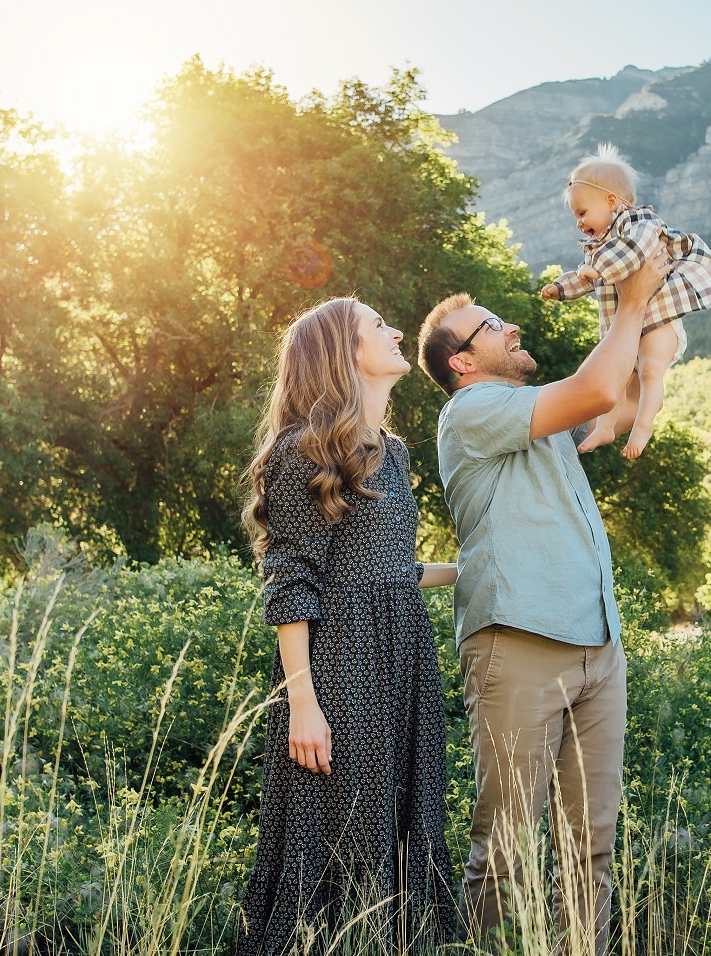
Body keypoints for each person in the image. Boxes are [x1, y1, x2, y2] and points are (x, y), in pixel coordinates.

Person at [416, 250, 666, 952]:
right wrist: (634, 298)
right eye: (493, 326)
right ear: (462, 362)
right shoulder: (472, 410)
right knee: (508, 844)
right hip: (519, 642)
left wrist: (631, 299)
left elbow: (614, 389)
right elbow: (594, 390)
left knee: (591, 848)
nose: (513, 328)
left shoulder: (528, 411)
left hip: (598, 645)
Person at [236, 297, 460, 956]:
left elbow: (390, 566)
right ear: (341, 352)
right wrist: (303, 705)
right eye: (377, 326)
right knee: (339, 830)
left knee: (401, 821)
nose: (395, 332)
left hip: (403, 659)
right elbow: (292, 582)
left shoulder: (393, 453)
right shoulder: (301, 450)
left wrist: (474, 569)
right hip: (340, 665)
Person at [538, 144, 711, 457]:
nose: (578, 222)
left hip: (659, 320)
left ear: (612, 202)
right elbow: (587, 276)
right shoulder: (599, 248)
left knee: (651, 370)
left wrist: (594, 268)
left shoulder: (640, 224)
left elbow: (630, 252)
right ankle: (604, 427)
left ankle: (643, 426)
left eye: (582, 212)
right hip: (627, 328)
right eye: (576, 216)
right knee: (616, 377)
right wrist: (561, 288)